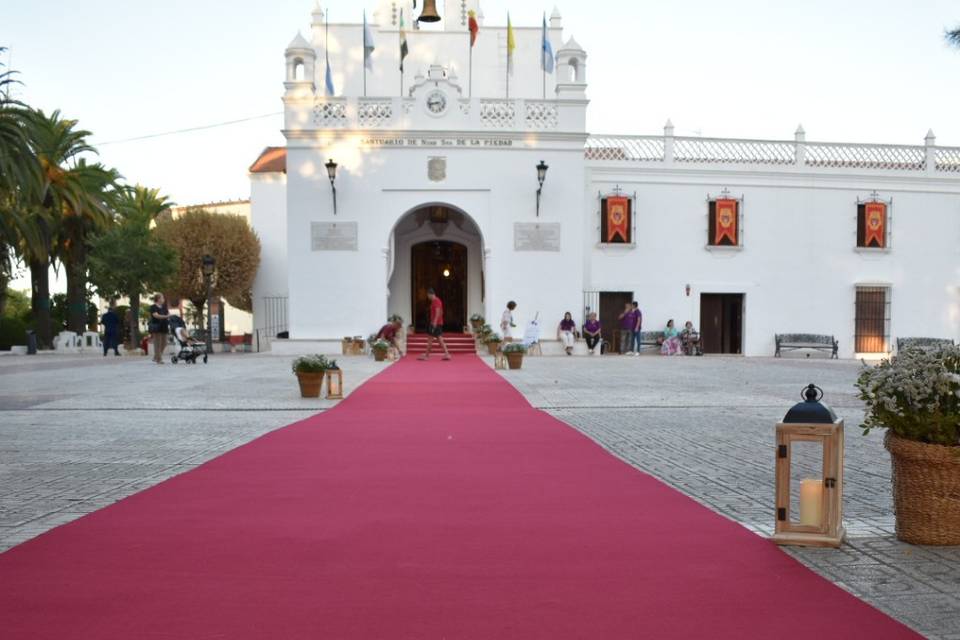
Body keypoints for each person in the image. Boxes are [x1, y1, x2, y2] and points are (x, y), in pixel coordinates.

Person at [418, 289, 451, 361]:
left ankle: (426, 356)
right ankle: (447, 354)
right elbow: (441, 312)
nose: (428, 297)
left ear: (430, 294)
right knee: (439, 339)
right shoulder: (435, 301)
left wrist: (435, 323)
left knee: (431, 339)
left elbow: (438, 312)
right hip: (436, 323)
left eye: (428, 295)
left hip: (435, 323)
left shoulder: (436, 301)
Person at [148, 294, 170, 365]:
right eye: (162, 298)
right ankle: (159, 359)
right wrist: (166, 316)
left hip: (164, 326)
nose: (163, 299)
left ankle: (156, 356)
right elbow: (156, 315)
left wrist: (167, 316)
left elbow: (168, 313)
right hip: (157, 327)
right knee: (157, 344)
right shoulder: (153, 307)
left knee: (165, 343)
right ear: (158, 299)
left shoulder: (164, 307)